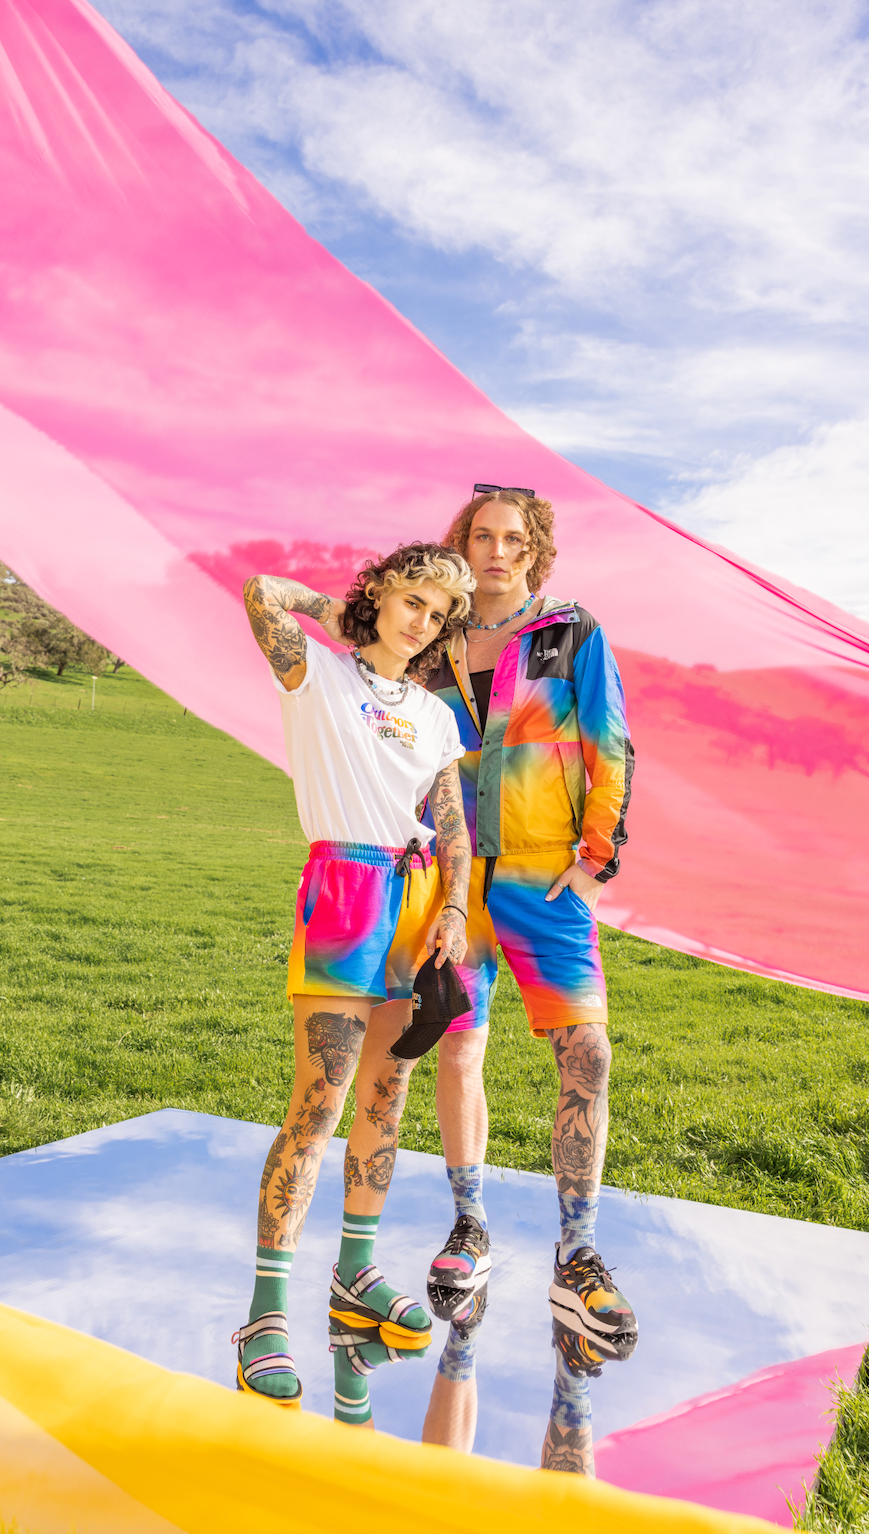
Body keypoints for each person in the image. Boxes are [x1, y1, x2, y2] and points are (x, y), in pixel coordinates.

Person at [234, 542, 475, 1423]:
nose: (423, 622)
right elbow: (262, 594)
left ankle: (357, 1276)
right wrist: (342, 615)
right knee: (320, 1102)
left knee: (386, 1097)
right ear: (379, 596)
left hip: (418, 906)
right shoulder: (317, 675)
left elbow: (453, 828)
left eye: (439, 614)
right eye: (413, 599)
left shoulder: (438, 716)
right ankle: (265, 1317)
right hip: (343, 889)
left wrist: (452, 910)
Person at [423, 486, 638, 1353]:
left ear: (536, 549)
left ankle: (578, 1252)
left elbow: (610, 742)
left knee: (586, 1052)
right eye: (483, 536)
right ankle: (470, 1227)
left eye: (515, 538)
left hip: (546, 879)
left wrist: (596, 864)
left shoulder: (571, 632)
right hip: (450, 883)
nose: (498, 551)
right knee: (459, 1044)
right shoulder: (432, 640)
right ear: (462, 544)